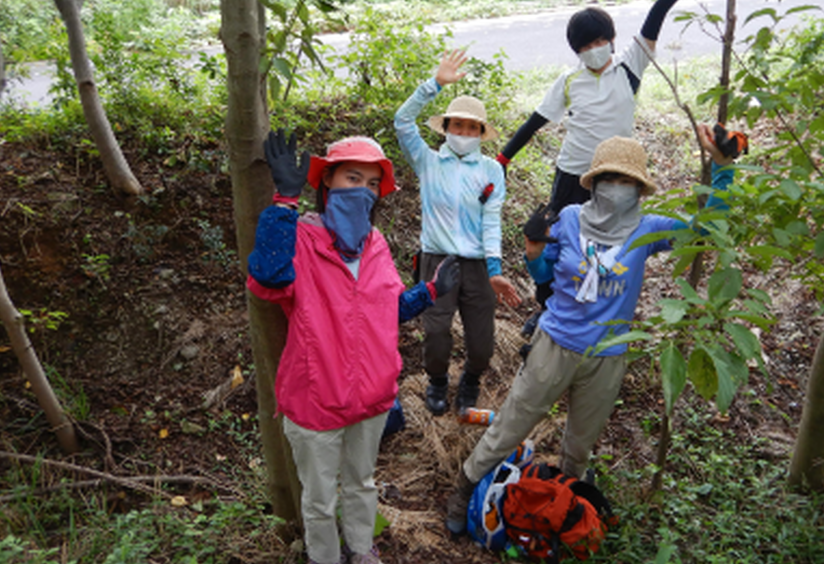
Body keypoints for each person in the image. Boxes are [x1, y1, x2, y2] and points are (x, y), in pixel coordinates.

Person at [444, 124, 742, 535]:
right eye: (609, 179)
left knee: (579, 445)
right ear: (595, 183)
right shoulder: (568, 219)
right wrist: (533, 254)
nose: (616, 188)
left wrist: (722, 169)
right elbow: (544, 273)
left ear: (639, 189)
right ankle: (465, 486)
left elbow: (706, 231)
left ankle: (567, 507)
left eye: (626, 181)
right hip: (554, 345)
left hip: (607, 356)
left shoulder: (648, 229)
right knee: (512, 423)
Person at [247, 131, 460, 564]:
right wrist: (284, 202)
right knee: (320, 499)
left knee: (362, 483)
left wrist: (429, 292)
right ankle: (324, 558)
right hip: (316, 399)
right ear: (326, 184)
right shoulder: (301, 238)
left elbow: (385, 310)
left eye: (369, 183)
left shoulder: (376, 244)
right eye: (351, 178)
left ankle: (362, 550)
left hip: (372, 397)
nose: (360, 189)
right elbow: (268, 278)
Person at [495, 0, 722, 327]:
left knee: (610, 243)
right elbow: (536, 121)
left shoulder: (630, 67)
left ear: (612, 40)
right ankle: (548, 310)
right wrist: (503, 157)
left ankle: (602, 309)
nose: (595, 50)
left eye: (600, 41)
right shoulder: (569, 81)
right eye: (586, 46)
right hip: (571, 174)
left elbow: (658, 10)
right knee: (556, 244)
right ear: (577, 51)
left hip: (616, 177)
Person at [394, 49, 522, 417]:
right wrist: (434, 84)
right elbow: (402, 122)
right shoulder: (429, 161)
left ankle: (470, 380)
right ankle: (436, 381)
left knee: (482, 341)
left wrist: (495, 270)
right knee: (435, 332)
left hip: (479, 265)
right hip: (437, 260)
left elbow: (491, 220)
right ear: (446, 128)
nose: (464, 133)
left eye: (472, 128)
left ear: (481, 133)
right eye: (457, 126)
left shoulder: (491, 171)